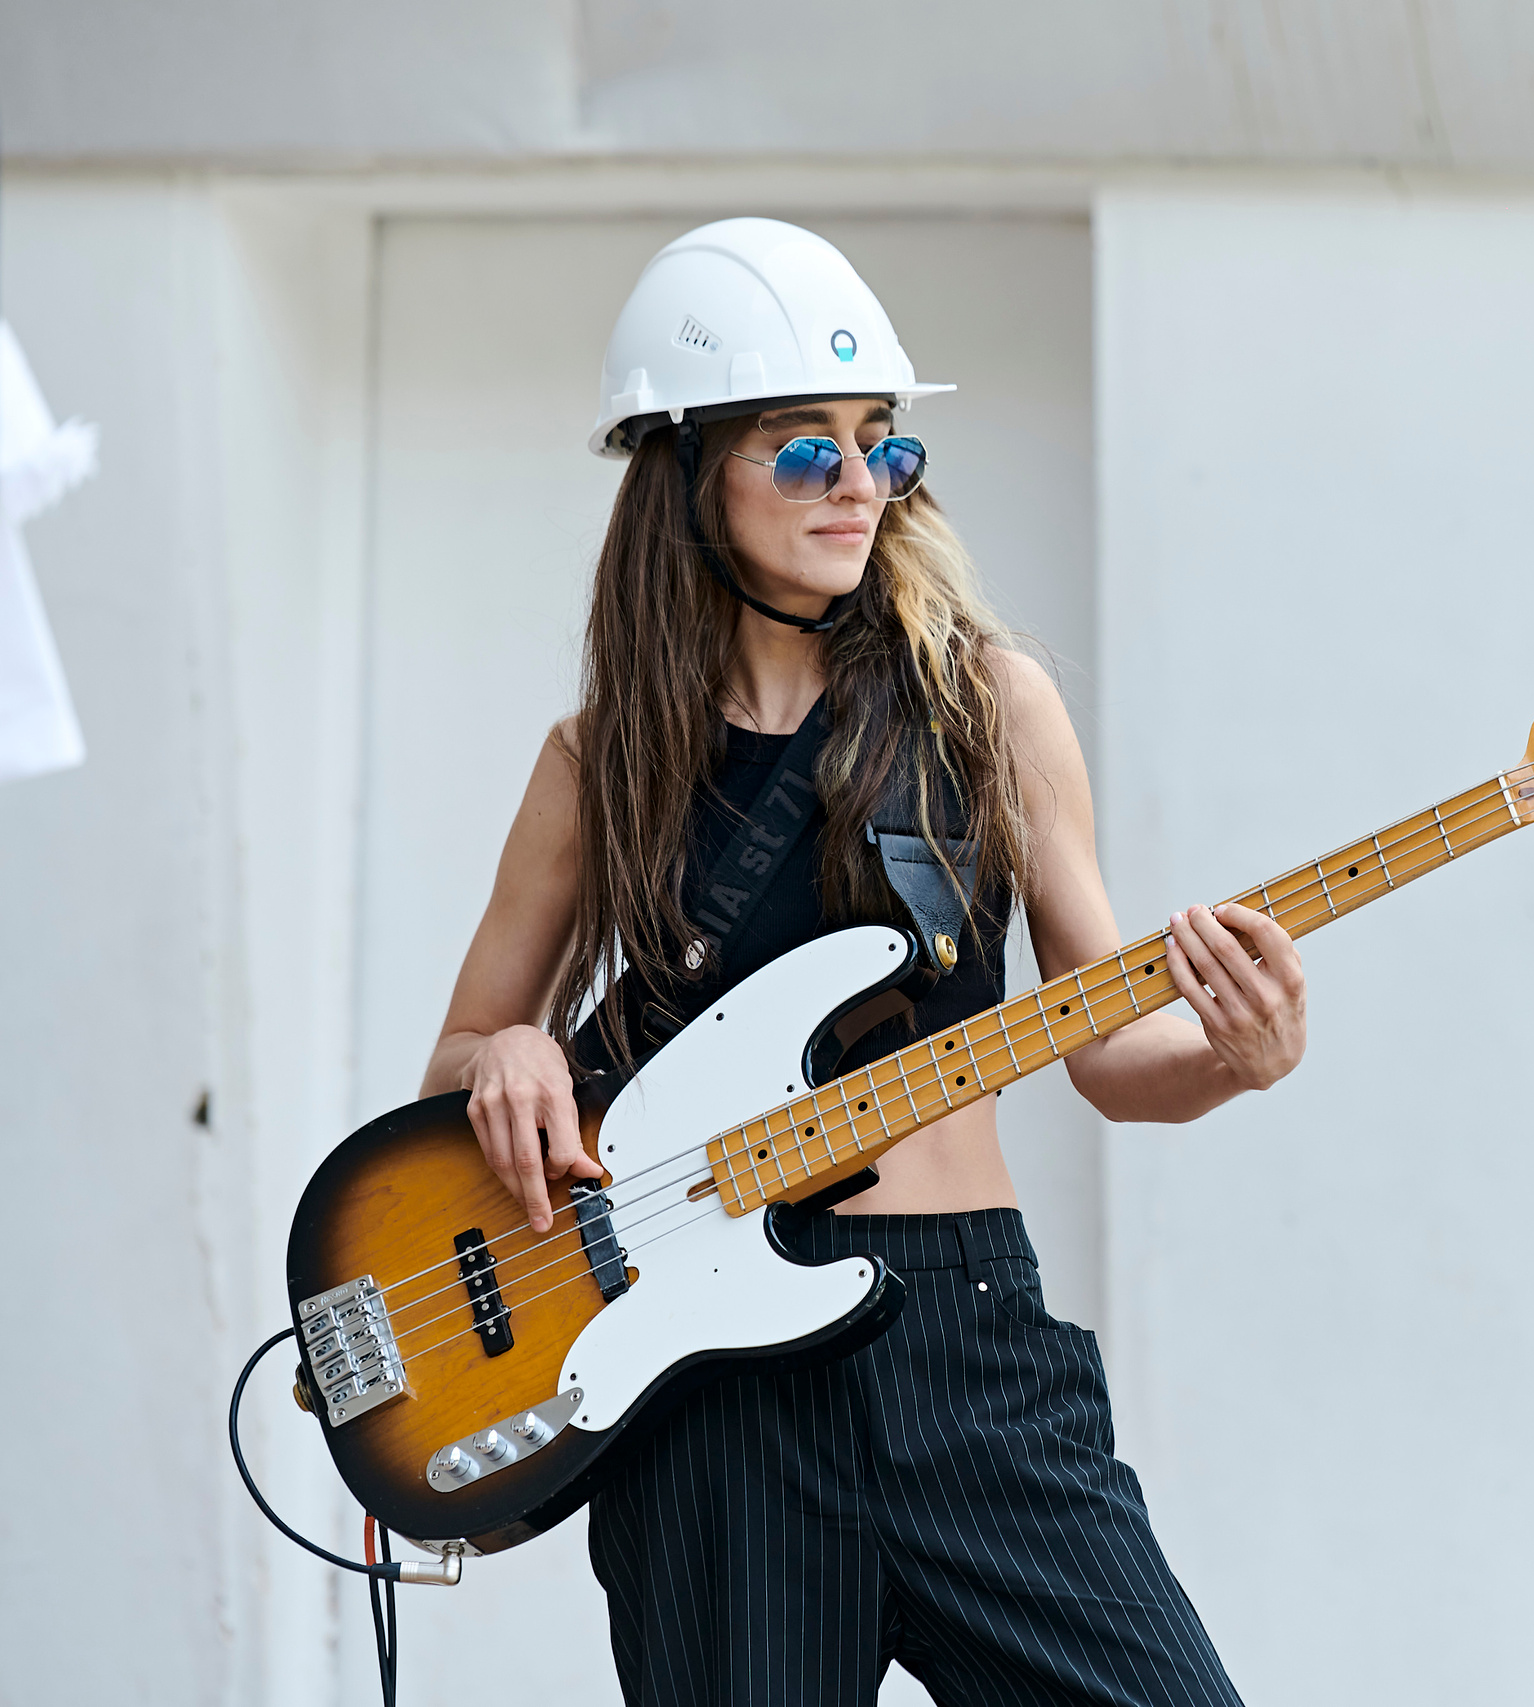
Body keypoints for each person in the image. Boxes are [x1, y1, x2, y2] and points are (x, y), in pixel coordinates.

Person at [421, 218, 1304, 1707]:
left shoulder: (992, 705)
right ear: (689, 477)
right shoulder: (600, 762)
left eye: (881, 448)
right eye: (805, 451)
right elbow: (458, 1058)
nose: (859, 488)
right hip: (709, 1398)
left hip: (968, 1345)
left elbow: (1109, 1056)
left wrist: (1235, 1052)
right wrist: (505, 1053)